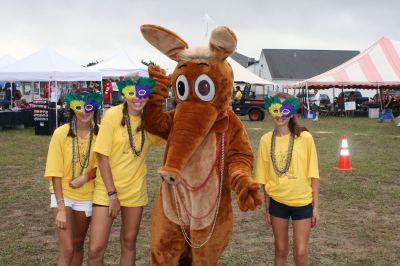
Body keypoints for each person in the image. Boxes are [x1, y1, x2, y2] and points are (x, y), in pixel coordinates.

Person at [88, 77, 165, 265]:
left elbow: (171, 134)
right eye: (132, 93)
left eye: (142, 94)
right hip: (106, 190)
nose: (137, 99)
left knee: (129, 242)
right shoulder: (113, 115)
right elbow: (102, 156)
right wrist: (112, 194)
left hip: (134, 191)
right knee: (95, 248)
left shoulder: (150, 121)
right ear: (124, 93)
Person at [256, 92, 320, 266]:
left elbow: (314, 174)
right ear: (270, 110)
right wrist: (268, 208)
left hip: (302, 203)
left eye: (285, 110)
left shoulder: (304, 138)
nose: (280, 115)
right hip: (277, 203)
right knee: (281, 249)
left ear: (291, 112)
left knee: (300, 252)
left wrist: (316, 208)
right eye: (276, 109)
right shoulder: (265, 140)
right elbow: (264, 178)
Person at [44, 89, 103, 265]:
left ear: (95, 108)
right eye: (79, 106)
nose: (84, 111)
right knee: (68, 249)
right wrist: (61, 207)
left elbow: (103, 166)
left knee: (78, 245)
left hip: (87, 196)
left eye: (89, 106)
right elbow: (54, 172)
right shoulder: (60, 133)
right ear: (72, 108)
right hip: (62, 195)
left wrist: (85, 178)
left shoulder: (101, 134)